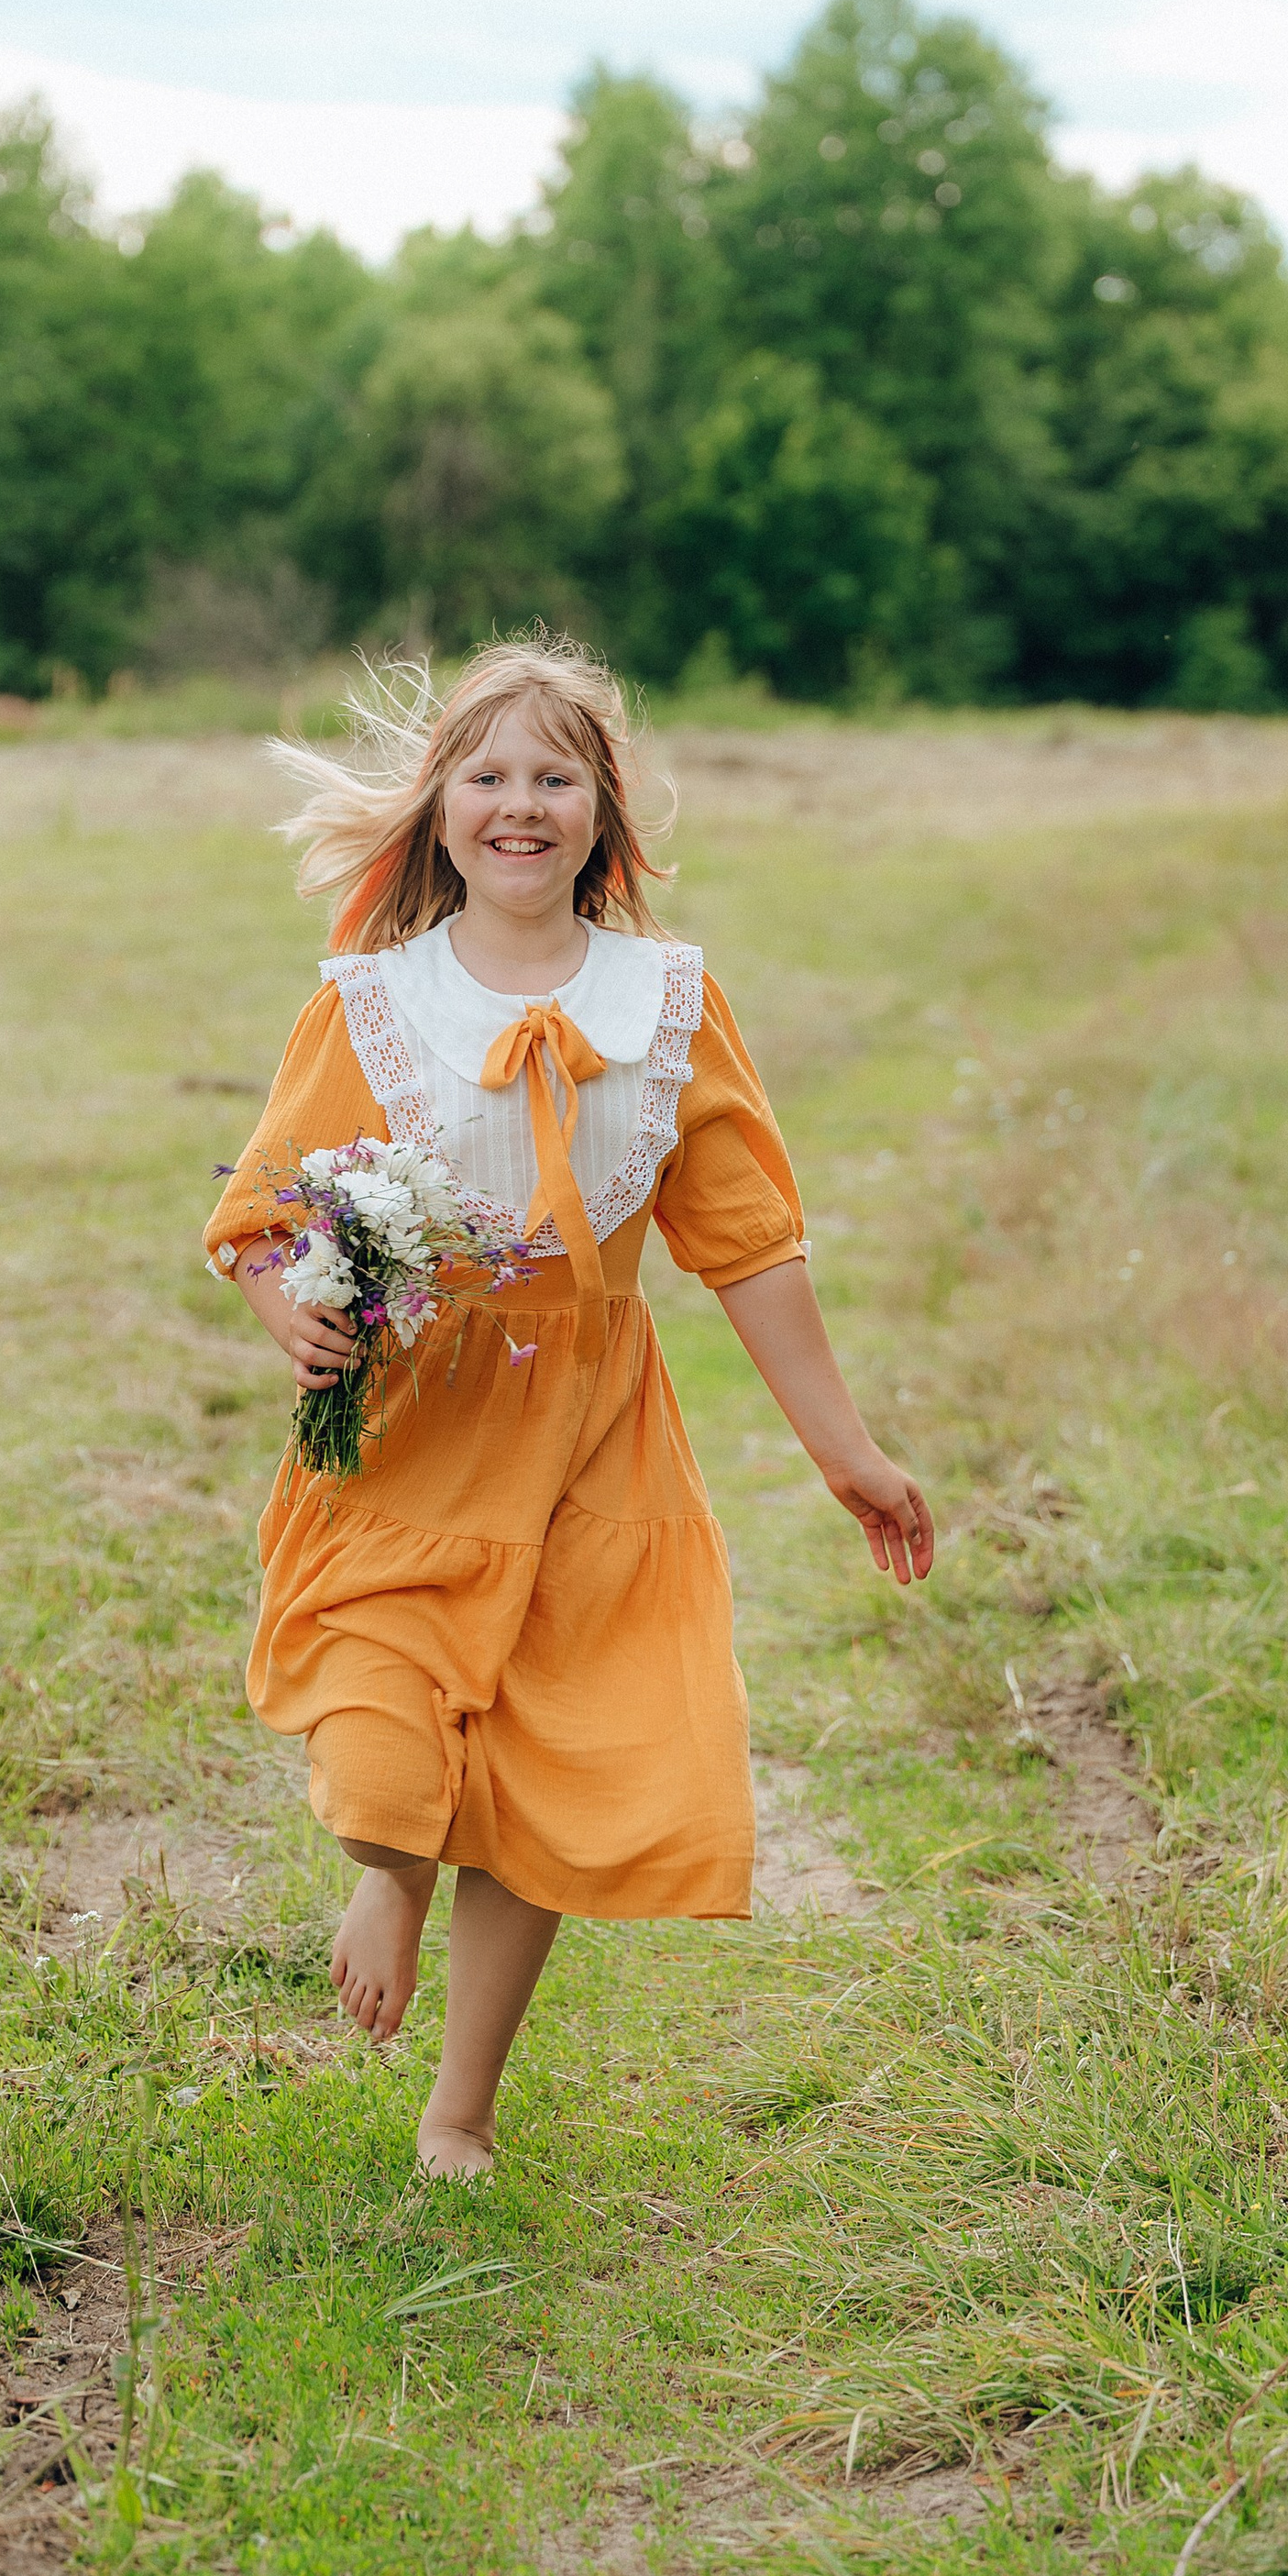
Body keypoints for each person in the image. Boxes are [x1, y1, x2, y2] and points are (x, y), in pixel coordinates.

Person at [204, 639, 932, 2176]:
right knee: (389, 1741)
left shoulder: (666, 999)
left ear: (606, 812)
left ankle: (459, 2107)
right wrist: (294, 1316)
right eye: (488, 776)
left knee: (543, 1764)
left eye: (556, 776)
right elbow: (267, 1209)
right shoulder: (374, 1001)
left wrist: (848, 1454)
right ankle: (390, 1868)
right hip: (413, 1426)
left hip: (591, 1436)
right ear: (438, 810)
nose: (520, 804)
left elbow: (748, 1246)